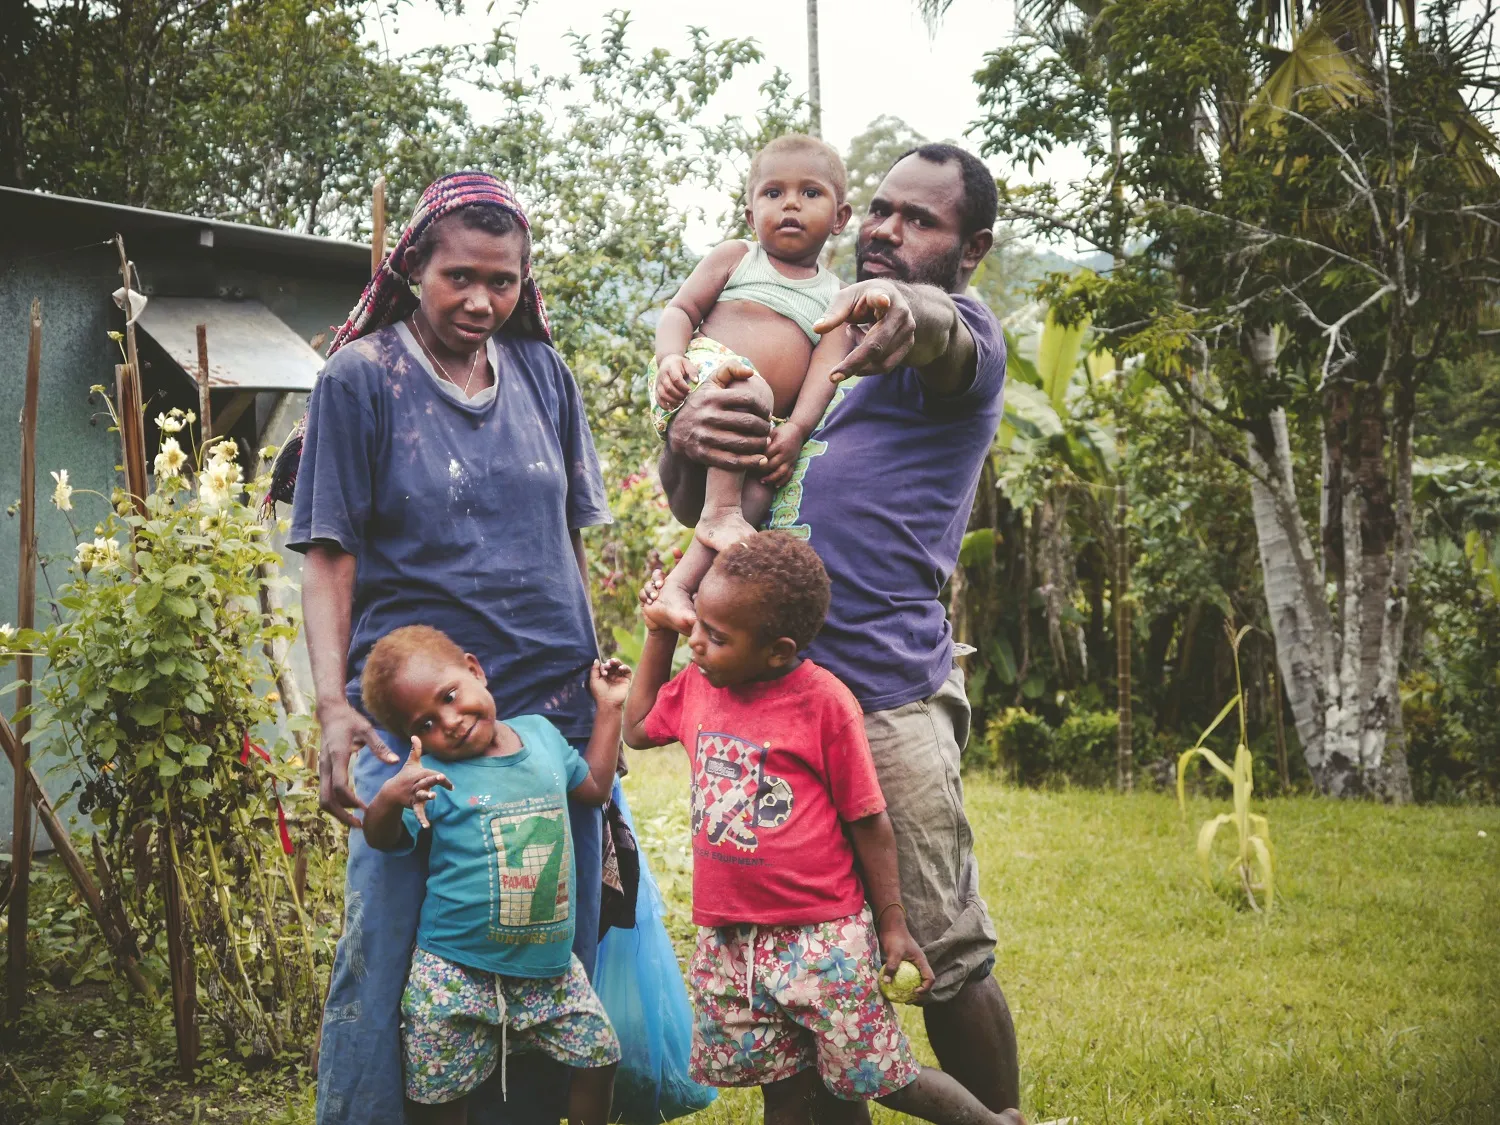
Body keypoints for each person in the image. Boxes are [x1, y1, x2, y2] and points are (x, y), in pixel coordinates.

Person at [652, 144, 1021, 1113]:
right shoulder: (808, 340)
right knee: (801, 962)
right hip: (772, 696)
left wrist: (907, 311)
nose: (887, 233)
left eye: (920, 220)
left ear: (971, 247)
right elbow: (716, 501)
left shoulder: (961, 344)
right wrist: (684, 438)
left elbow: (936, 329)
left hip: (887, 696)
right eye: (883, 212)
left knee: (943, 954)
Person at [281, 171, 614, 1125]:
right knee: (392, 946)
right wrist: (336, 707)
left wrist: (600, 701)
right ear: (412, 267)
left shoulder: (546, 376)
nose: (481, 300)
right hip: (416, 714)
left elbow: (572, 544)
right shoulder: (363, 379)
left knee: (552, 939)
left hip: (546, 716)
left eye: (503, 281)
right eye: (458, 276)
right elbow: (330, 560)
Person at [622, 533, 1024, 1125]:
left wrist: (892, 924)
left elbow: (870, 819)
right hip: (734, 940)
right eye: (696, 626)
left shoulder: (823, 702)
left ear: (778, 651)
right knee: (781, 1088)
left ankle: (996, 1122)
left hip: (822, 939)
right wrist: (658, 632)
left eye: (717, 635)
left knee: (883, 1076)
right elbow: (635, 728)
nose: (697, 643)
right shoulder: (698, 688)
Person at [358, 626, 630, 1125]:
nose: (452, 721)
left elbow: (592, 788)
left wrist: (610, 707)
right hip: (454, 973)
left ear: (475, 669)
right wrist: (388, 798)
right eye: (429, 721)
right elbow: (385, 840)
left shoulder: (542, 737)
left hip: (548, 969)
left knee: (600, 1058)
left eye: (451, 695)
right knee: (437, 1095)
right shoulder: (433, 778)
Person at [643, 133, 853, 635]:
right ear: (749, 214)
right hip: (701, 384)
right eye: (773, 193)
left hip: (761, 424)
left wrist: (797, 430)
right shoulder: (737, 257)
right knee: (749, 387)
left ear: (841, 218)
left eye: (810, 193)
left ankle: (681, 586)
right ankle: (717, 513)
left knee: (760, 493)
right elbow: (681, 309)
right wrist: (671, 357)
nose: (791, 205)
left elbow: (826, 371)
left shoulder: (836, 297)